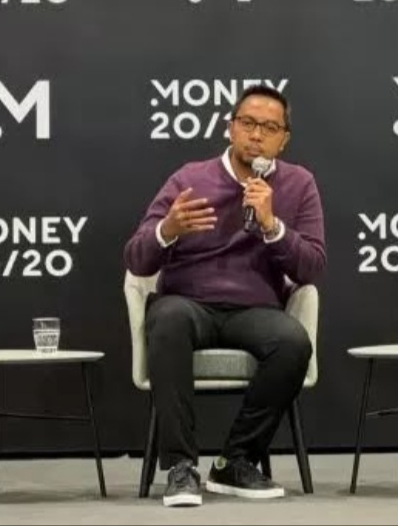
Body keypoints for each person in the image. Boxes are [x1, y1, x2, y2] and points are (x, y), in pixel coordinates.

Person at [124, 84, 326, 507]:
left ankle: (235, 461)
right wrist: (168, 230)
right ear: (229, 128)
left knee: (292, 342)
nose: (256, 135)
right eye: (248, 123)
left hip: (254, 309)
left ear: (284, 140)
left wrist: (273, 226)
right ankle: (181, 467)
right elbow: (137, 259)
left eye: (269, 128)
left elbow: (311, 268)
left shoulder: (298, 184)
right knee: (168, 321)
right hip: (188, 303)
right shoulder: (189, 179)